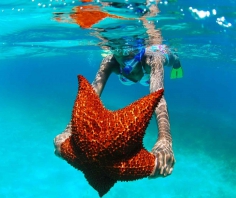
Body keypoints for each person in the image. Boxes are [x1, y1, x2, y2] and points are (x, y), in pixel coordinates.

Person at [54, 0, 183, 178]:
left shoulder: (152, 58)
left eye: (128, 51)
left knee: (172, 58)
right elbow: (89, 97)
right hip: (127, 77)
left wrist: (165, 140)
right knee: (121, 70)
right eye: (117, 49)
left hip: (151, 65)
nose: (123, 53)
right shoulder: (111, 61)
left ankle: (177, 64)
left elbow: (158, 98)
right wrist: (69, 130)